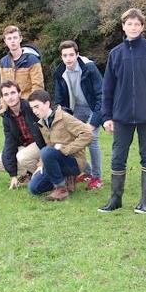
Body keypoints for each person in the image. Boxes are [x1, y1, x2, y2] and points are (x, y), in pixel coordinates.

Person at [98, 8, 146, 214]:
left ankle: (144, 201)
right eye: (129, 24)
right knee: (117, 156)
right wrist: (107, 116)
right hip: (121, 116)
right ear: (123, 27)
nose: (133, 27)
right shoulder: (115, 54)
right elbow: (107, 88)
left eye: (137, 24)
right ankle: (115, 199)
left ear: (142, 26)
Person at [52, 40, 104, 190]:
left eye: (71, 55)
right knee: (72, 138)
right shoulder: (59, 73)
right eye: (65, 55)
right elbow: (60, 100)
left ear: (77, 55)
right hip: (77, 109)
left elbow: (101, 95)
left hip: (94, 106)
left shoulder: (89, 68)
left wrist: (94, 121)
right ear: (61, 57)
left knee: (91, 138)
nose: (68, 58)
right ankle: (86, 171)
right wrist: (64, 120)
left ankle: (96, 177)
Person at [26, 90, 93, 201]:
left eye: (37, 107)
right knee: (34, 188)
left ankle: (61, 190)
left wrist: (66, 149)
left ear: (47, 104)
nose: (34, 111)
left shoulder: (65, 117)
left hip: (74, 162)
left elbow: (88, 134)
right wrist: (41, 165)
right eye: (32, 108)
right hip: (57, 160)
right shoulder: (42, 123)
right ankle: (66, 179)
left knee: (46, 152)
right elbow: (49, 145)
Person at [0, 80, 46, 189]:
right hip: (26, 147)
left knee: (22, 157)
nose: (10, 97)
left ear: (19, 93)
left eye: (13, 93)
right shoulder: (7, 117)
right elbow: (9, 144)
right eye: (6, 94)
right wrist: (13, 175)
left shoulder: (30, 107)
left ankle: (46, 175)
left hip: (42, 145)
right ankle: (29, 174)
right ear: (2, 98)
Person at [0, 25, 44, 111]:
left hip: (29, 107)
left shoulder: (32, 59)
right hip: (11, 108)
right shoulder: (3, 62)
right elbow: (2, 87)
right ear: (5, 41)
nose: (12, 41)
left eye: (15, 37)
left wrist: (30, 105)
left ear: (20, 38)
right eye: (9, 38)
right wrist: (3, 108)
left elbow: (38, 86)